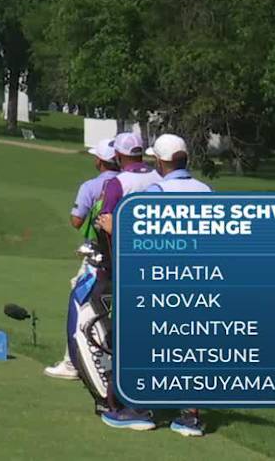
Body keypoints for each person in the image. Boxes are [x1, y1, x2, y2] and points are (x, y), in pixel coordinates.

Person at [91, 132, 164, 430]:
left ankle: (131, 406)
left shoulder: (117, 183)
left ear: (119, 157)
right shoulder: (159, 179)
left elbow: (107, 227)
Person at [143, 134, 211, 438]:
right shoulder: (205, 190)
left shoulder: (156, 190)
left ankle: (145, 408)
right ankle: (190, 416)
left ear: (160, 162)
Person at [44, 138, 119, 380]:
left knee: (81, 303)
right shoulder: (135, 181)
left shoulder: (92, 186)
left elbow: (76, 220)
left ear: (100, 161)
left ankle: (73, 363)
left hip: (98, 255)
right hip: (129, 254)